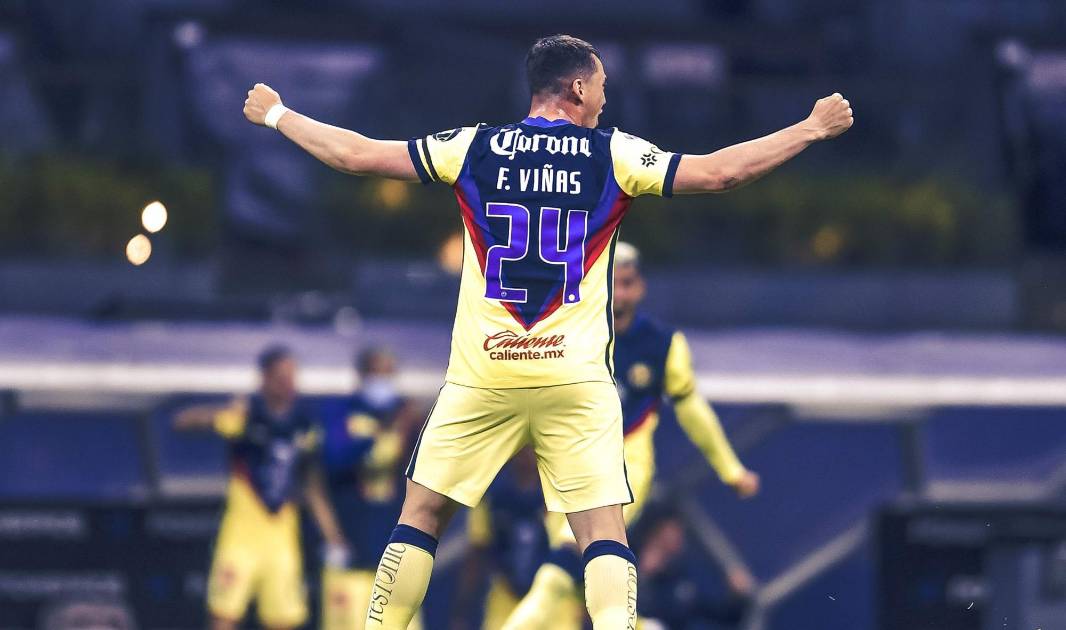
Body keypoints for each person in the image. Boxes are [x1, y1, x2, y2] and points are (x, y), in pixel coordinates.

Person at [242, 34, 852, 629]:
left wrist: (278, 114)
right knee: (602, 532)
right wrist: (809, 129)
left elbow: (356, 155)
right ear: (578, 88)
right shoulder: (613, 154)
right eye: (602, 86)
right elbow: (720, 174)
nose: (606, 98)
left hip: (484, 374)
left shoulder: (472, 147)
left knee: (421, 516)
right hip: (574, 378)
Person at [500, 242, 760, 630]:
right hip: (571, 467)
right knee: (573, 585)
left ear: (640, 287)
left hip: (624, 471)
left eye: (627, 283)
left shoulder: (662, 344)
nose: (619, 293)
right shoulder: (567, 335)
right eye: (612, 283)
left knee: (563, 575)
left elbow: (692, 410)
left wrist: (730, 469)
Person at [174, 345, 345, 630]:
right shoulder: (247, 415)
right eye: (281, 376)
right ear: (265, 377)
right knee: (224, 615)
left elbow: (312, 486)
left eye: (292, 375)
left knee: (282, 620)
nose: (288, 383)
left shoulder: (304, 424)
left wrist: (332, 535)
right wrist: (221, 413)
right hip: (241, 535)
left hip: (282, 537)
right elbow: (183, 421)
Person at [319, 347, 426, 630]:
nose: (384, 381)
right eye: (379, 372)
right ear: (363, 374)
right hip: (350, 553)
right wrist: (383, 433)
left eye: (390, 373)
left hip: (394, 559)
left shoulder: (407, 417)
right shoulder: (341, 412)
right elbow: (335, 458)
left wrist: (413, 428)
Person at [450, 449, 580, 630]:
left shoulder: (564, 488)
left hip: (555, 604)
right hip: (506, 595)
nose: (526, 453)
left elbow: (572, 549)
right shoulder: (492, 492)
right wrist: (462, 610)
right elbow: (477, 550)